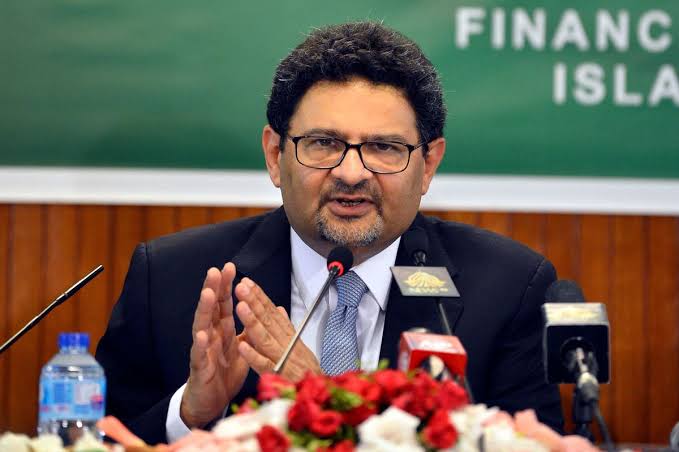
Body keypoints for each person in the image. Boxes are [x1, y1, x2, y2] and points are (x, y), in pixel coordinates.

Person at [95, 21, 563, 445]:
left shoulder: (506, 290)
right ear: (275, 155)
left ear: (428, 165)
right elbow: (96, 440)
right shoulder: (172, 278)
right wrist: (190, 412)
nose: (352, 173)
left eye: (384, 147)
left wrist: (318, 392)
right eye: (323, 143)